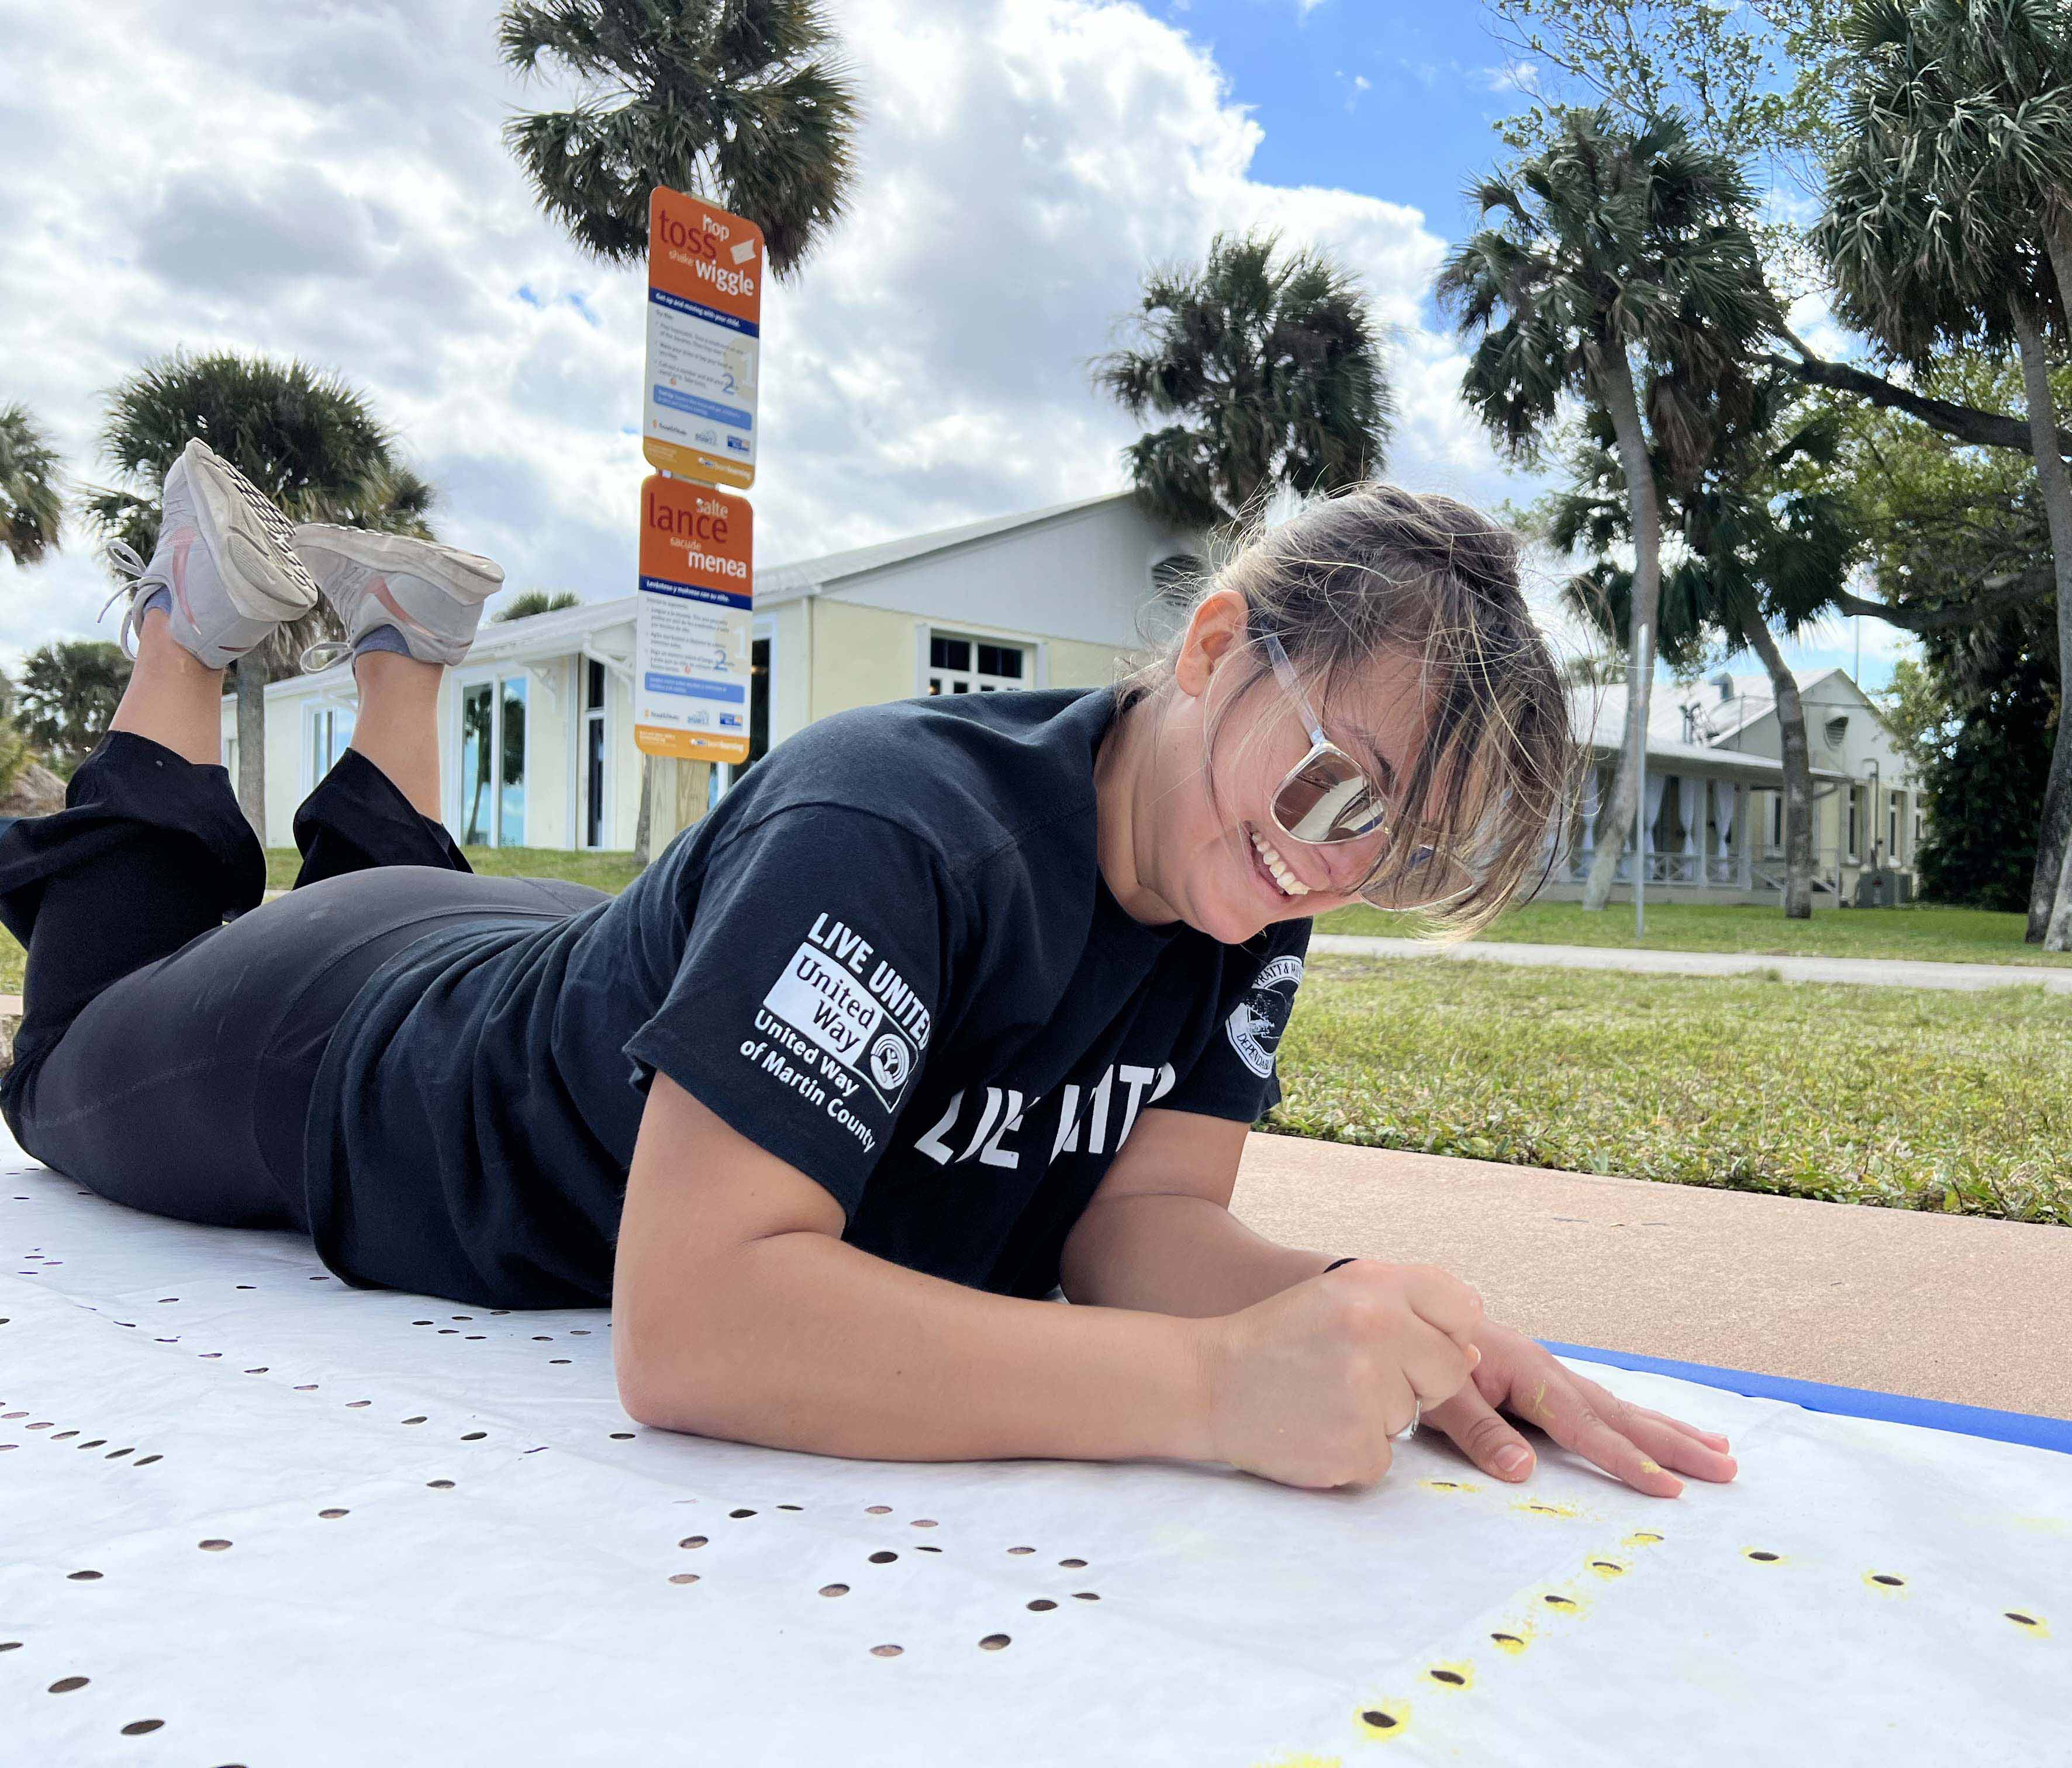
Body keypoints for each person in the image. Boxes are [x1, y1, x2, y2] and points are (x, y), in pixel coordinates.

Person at [0, 440, 1737, 1498]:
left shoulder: (1243, 896)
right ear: (1215, 644)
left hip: (586, 970)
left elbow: (1136, 1230)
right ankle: (182, 635)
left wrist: (1386, 1323)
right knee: (65, 1061)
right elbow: (696, 1327)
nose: (1336, 865)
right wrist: (1219, 1393)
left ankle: (399, 659)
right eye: (1338, 787)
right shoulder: (902, 829)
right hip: (358, 1048)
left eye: (1400, 850)